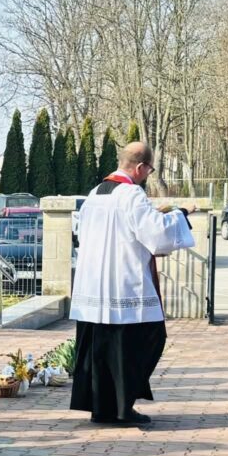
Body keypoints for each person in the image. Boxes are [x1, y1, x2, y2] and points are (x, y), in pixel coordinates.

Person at [70, 141, 195, 425]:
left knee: (101, 350)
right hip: (124, 284)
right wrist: (181, 214)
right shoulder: (131, 194)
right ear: (140, 167)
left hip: (94, 286)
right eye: (149, 170)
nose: (147, 175)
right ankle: (122, 409)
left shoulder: (94, 194)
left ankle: (102, 409)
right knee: (148, 338)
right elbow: (157, 235)